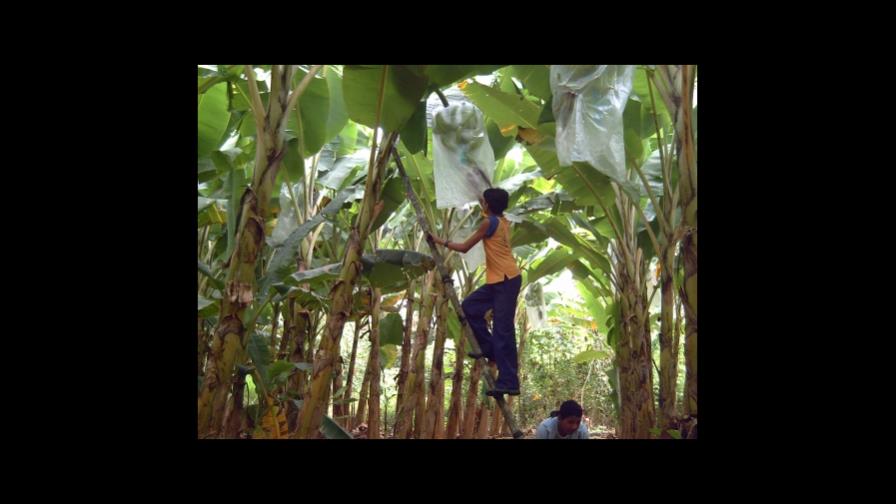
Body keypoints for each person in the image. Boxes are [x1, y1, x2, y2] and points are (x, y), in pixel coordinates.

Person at [428, 188, 522, 397]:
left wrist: (438, 240)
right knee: (469, 307)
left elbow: (463, 248)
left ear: (487, 205)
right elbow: (489, 203)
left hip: (506, 280)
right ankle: (489, 349)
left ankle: (509, 381)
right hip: (500, 279)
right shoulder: (502, 220)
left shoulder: (489, 223)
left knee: (503, 330)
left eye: (484, 202)